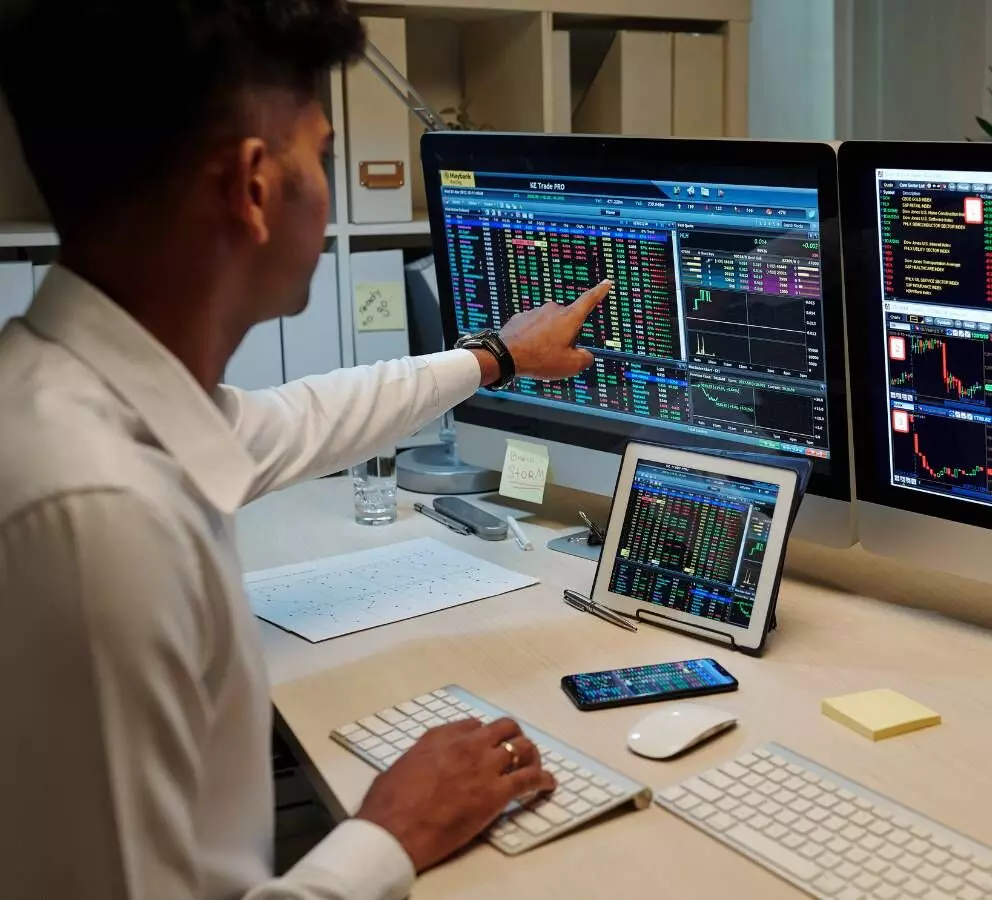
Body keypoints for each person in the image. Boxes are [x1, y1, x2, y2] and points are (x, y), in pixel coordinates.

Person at [0, 2, 610, 898]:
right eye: (322, 156)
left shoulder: (78, 398)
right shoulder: (98, 518)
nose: (329, 189)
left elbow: (299, 418)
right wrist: (387, 833)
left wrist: (498, 356)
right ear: (253, 189)